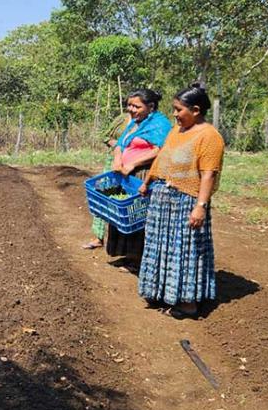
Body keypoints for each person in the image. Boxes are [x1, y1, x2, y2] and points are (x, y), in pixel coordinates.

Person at [137, 83, 225, 319]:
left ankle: (187, 303)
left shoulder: (209, 137)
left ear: (196, 110)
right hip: (163, 197)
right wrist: (148, 181)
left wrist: (200, 206)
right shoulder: (177, 130)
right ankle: (160, 292)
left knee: (184, 250)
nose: (174, 114)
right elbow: (163, 156)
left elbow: (208, 174)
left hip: (187, 201)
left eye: (179, 110)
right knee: (160, 246)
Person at [105, 89, 172, 268]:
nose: (131, 109)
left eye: (136, 106)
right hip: (124, 174)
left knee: (138, 215)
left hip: (143, 174)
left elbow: (159, 150)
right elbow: (120, 143)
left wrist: (133, 164)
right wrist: (118, 159)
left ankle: (138, 259)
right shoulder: (135, 122)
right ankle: (126, 254)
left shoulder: (160, 124)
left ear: (151, 106)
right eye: (129, 105)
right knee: (122, 213)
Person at [83, 107, 131, 250]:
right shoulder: (122, 119)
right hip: (112, 162)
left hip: (130, 166)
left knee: (122, 202)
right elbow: (105, 136)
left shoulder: (148, 124)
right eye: (130, 105)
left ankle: (120, 246)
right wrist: (116, 144)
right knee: (102, 196)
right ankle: (98, 236)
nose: (132, 109)